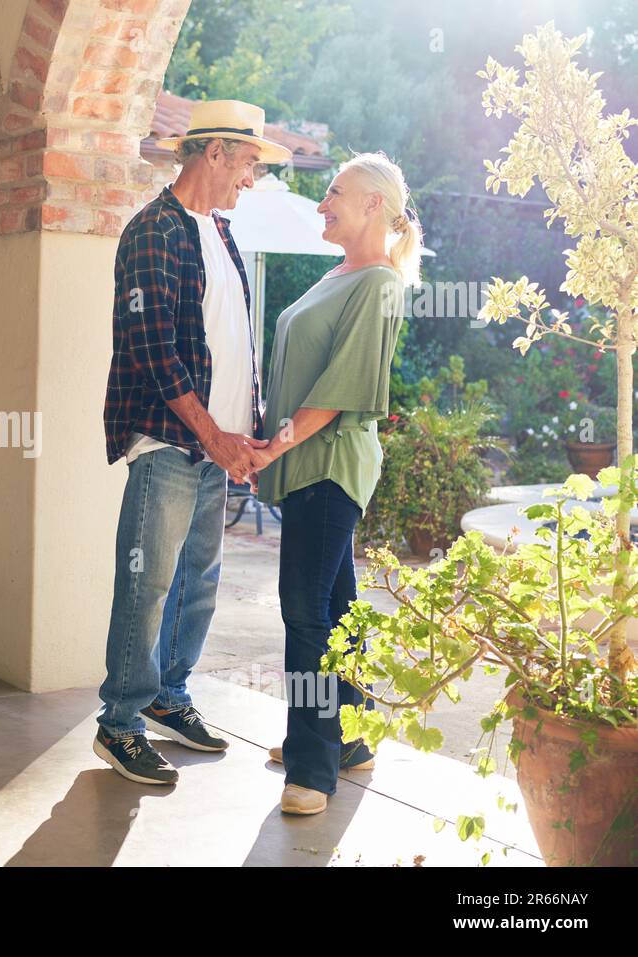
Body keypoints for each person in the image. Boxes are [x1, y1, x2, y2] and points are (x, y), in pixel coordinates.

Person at [96, 100, 293, 784]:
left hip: (216, 447)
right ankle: (119, 721)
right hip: (171, 443)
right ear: (214, 153)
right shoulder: (154, 230)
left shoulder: (219, 230)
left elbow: (230, 341)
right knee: (148, 580)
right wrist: (214, 438)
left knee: (196, 583)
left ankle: (167, 696)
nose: (251, 179)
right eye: (248, 164)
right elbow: (155, 353)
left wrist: (250, 432)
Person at [248, 152, 420, 814]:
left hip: (329, 463)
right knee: (338, 607)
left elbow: (333, 397)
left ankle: (312, 766)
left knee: (304, 610)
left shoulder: (378, 284)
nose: (323, 204)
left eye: (334, 193)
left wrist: (267, 451)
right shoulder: (337, 275)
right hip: (305, 462)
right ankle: (350, 737)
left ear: (374, 203)